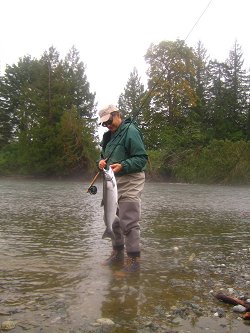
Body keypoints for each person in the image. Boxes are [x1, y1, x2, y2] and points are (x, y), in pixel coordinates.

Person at [97, 104, 148, 274]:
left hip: (131, 178)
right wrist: (101, 162)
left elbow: (142, 159)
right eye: (104, 123)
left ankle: (134, 261)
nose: (107, 125)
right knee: (113, 220)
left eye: (109, 121)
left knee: (128, 220)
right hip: (113, 180)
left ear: (117, 114)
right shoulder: (107, 137)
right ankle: (117, 254)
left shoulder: (130, 131)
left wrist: (124, 165)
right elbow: (105, 157)